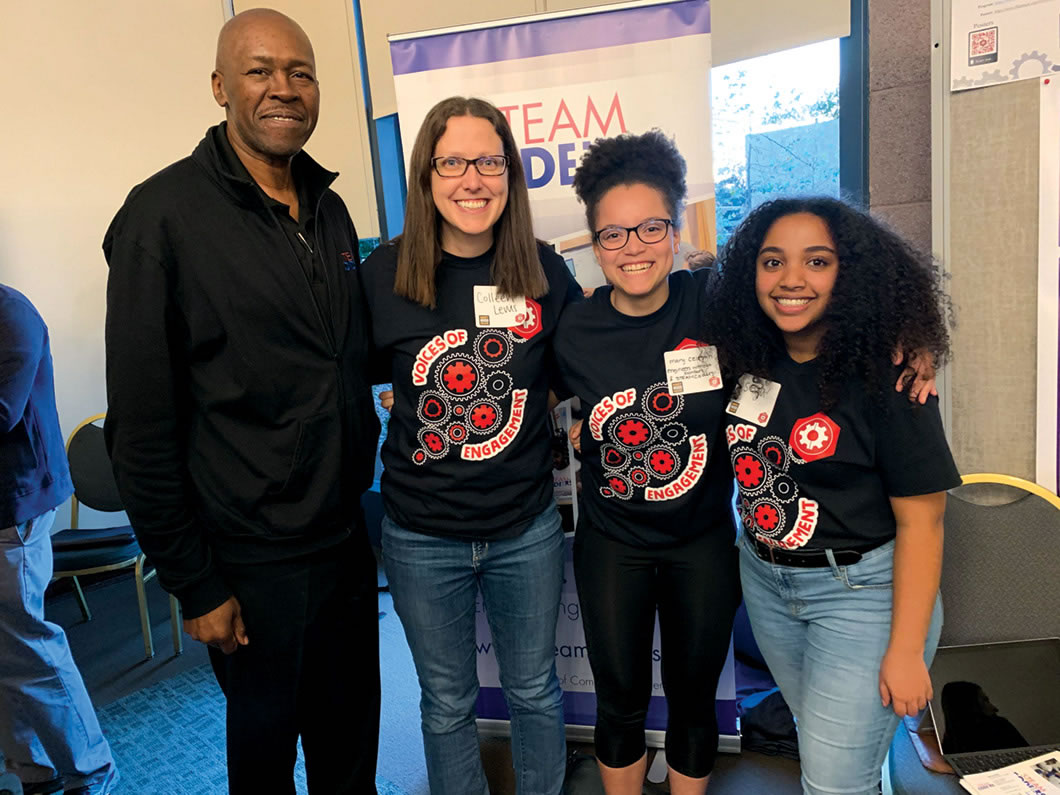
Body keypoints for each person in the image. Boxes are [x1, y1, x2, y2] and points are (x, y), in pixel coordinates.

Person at [102, 10, 380, 793]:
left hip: (344, 545)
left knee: (350, 750)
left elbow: (342, 356)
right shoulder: (161, 219)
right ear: (222, 87)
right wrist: (194, 580)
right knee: (265, 764)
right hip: (250, 562)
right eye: (260, 71)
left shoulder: (328, 208)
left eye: (300, 71)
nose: (283, 88)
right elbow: (140, 429)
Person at [360, 96, 582, 795]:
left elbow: (596, 357)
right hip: (421, 534)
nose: (472, 179)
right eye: (452, 161)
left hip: (525, 527)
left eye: (489, 161)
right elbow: (339, 377)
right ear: (427, 174)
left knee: (535, 690)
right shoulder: (383, 275)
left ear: (510, 175)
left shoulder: (542, 268)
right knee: (447, 703)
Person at [704, 197, 959, 795]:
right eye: (772, 262)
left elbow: (925, 525)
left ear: (853, 272)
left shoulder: (891, 377)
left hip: (863, 597)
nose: (791, 279)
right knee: (823, 749)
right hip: (766, 584)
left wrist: (904, 650)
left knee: (833, 783)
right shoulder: (743, 356)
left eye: (816, 261)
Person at [552, 131, 741, 795]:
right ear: (594, 240)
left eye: (650, 227)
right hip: (614, 545)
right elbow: (514, 390)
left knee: (694, 702)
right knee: (620, 700)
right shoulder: (573, 329)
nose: (632, 248)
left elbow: (812, 308)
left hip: (704, 543)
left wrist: (907, 341)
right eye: (613, 234)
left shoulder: (716, 300)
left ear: (677, 224)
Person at [0, 285, 119, 795]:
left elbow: (1, 412)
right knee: (5, 651)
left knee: (29, 647)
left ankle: (91, 774)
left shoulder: (11, 314)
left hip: (15, 505)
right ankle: (33, 773)